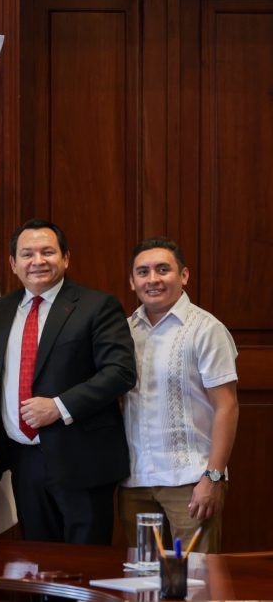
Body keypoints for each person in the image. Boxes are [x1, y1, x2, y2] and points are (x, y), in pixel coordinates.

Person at [0, 219, 136, 544]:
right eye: (27, 254)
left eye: (47, 252)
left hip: (81, 457)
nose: (37, 261)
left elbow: (120, 371)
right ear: (13, 263)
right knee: (38, 560)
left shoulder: (98, 306)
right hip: (24, 459)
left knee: (85, 564)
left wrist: (59, 406)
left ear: (65, 258)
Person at [119, 237, 238, 553]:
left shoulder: (206, 329)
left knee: (195, 577)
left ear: (183, 275)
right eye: (143, 272)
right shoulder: (123, 331)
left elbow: (226, 407)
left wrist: (212, 477)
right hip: (135, 482)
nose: (153, 279)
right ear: (132, 281)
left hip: (191, 482)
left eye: (163, 270)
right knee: (142, 576)